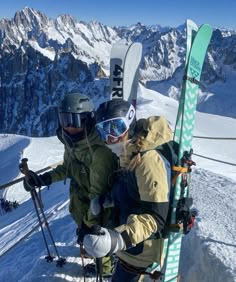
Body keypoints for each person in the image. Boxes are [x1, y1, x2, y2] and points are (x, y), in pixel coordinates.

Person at [23, 92, 117, 277]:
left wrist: (88, 226)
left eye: (74, 120)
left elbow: (97, 194)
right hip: (81, 198)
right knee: (89, 233)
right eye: (64, 120)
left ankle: (105, 269)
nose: (68, 127)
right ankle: (94, 251)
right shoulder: (73, 143)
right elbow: (67, 168)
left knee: (98, 232)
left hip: (100, 205)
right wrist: (43, 179)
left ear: (87, 120)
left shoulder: (99, 151)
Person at [82, 99, 173, 281]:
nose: (110, 138)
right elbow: (133, 194)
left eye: (115, 128)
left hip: (140, 252)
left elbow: (156, 218)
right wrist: (108, 199)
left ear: (130, 123)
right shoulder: (127, 154)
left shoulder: (147, 160)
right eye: (103, 131)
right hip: (130, 248)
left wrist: (118, 239)